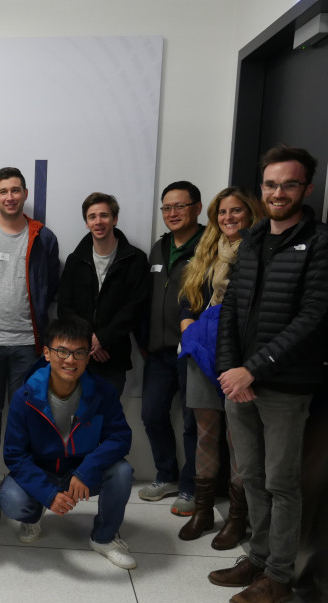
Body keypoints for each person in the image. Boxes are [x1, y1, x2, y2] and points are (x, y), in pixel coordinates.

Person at [209, 146, 328, 603]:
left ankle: (279, 575)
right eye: (270, 184)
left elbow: (312, 317)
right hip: (238, 383)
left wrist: (254, 368)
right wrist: (229, 370)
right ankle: (258, 559)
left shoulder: (321, 242)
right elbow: (229, 311)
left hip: (284, 385)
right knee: (251, 478)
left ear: (306, 188)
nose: (278, 192)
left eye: (288, 184)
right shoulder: (253, 239)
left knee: (282, 483)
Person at [0, 316, 136, 569]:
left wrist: (86, 470)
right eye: (62, 351)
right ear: (47, 353)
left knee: (122, 471)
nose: (70, 360)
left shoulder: (101, 392)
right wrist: (48, 493)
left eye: (79, 353)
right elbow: (15, 455)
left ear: (88, 355)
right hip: (43, 471)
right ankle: (34, 514)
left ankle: (104, 538)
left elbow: (120, 437)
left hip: (81, 472)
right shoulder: (26, 396)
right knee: (11, 499)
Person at [176, 187, 263, 546]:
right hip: (202, 352)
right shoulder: (208, 251)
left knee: (238, 436)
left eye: (236, 211)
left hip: (239, 358)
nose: (228, 218)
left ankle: (238, 519)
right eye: (222, 212)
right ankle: (203, 511)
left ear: (250, 213)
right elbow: (188, 297)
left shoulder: (260, 250)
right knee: (207, 434)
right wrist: (189, 328)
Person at [0, 166, 60, 439]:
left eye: (15, 190)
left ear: (25, 194)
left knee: (25, 412)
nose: (10, 197)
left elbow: (50, 285)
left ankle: (17, 476)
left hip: (28, 343)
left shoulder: (44, 238)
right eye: (3, 191)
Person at [138, 181, 204, 516]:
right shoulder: (159, 247)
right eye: (167, 208)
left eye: (180, 206)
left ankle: (192, 487)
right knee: (151, 414)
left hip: (194, 353)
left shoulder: (210, 245)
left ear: (197, 208)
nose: (172, 213)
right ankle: (167, 475)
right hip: (159, 351)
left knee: (193, 422)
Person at [58, 192, 149, 396]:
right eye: (92, 217)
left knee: (107, 421)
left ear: (114, 219)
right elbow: (65, 307)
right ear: (86, 222)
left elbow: (134, 308)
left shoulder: (135, 259)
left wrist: (103, 338)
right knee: (76, 419)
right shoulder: (75, 260)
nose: (98, 222)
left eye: (104, 215)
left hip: (112, 357)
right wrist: (90, 341)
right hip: (77, 356)